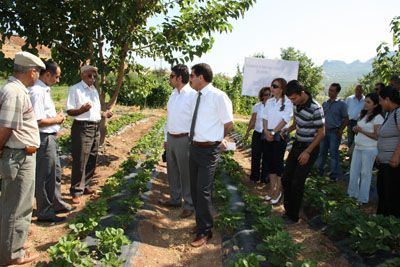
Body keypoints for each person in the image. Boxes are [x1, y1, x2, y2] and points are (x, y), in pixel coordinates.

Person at [0, 52, 45, 265]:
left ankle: (12, 243)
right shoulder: (15, 92)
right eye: (37, 71)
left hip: (21, 154)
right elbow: (6, 127)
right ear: (31, 72)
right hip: (19, 156)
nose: (38, 75)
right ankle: (12, 254)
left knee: (16, 203)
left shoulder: (16, 90)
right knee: (17, 206)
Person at [188, 63, 233, 247]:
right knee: (194, 189)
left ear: (201, 77)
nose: (190, 79)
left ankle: (205, 231)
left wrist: (218, 139)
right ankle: (200, 223)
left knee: (203, 190)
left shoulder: (218, 97)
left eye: (192, 75)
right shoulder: (196, 97)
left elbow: (228, 123)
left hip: (209, 150)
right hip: (195, 147)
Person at [29, 60, 74, 223]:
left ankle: (56, 202)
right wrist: (57, 119)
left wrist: (56, 118)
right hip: (43, 138)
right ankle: (44, 211)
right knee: (44, 175)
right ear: (47, 74)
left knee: (55, 173)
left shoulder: (44, 90)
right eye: (57, 76)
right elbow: (37, 121)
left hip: (51, 137)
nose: (58, 80)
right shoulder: (37, 92)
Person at [66, 65, 113, 204]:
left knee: (92, 157)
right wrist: (81, 110)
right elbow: (70, 111)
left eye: (94, 76)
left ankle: (85, 185)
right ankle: (76, 191)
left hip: (95, 127)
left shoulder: (94, 91)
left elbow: (95, 111)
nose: (92, 79)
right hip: (82, 127)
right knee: (80, 159)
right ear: (82, 75)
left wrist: (104, 114)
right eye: (89, 76)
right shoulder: (75, 89)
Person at [281, 80, 325, 223]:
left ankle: (293, 216)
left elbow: (321, 133)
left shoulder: (316, 108)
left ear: (302, 93)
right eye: (290, 99)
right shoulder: (296, 104)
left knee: (297, 182)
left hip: (309, 148)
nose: (292, 101)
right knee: (286, 178)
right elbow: (296, 123)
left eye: (294, 98)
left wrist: (307, 152)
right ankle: (288, 211)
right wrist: (288, 129)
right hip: (296, 145)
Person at [161, 64, 197, 219]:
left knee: (186, 173)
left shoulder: (192, 96)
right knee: (173, 171)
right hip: (171, 138)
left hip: (184, 139)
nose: (170, 78)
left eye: (171, 76)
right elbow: (169, 117)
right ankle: (175, 199)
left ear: (179, 78)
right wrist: (165, 139)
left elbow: (195, 120)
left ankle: (189, 204)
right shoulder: (173, 94)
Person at [347, 93, 383, 204]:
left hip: (369, 149)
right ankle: (352, 196)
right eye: (365, 101)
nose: (365, 104)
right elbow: (359, 131)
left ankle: (362, 199)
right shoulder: (363, 115)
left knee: (365, 174)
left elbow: (377, 136)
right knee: (353, 172)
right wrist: (355, 130)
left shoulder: (378, 118)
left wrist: (361, 130)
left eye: (368, 102)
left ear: (375, 105)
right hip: (358, 147)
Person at [262, 78, 293, 204]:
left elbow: (286, 119)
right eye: (271, 85)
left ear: (282, 89)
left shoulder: (288, 103)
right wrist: (265, 131)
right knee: (269, 163)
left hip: (279, 135)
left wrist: (273, 132)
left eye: (275, 86)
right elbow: (264, 117)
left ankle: (278, 191)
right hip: (268, 133)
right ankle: (272, 189)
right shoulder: (269, 102)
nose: (272, 88)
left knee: (278, 163)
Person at [316, 83, 348, 180]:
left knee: (334, 154)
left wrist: (341, 130)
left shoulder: (342, 104)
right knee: (322, 152)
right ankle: (319, 171)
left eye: (332, 90)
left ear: (337, 92)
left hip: (334, 132)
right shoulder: (325, 103)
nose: (330, 92)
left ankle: (334, 174)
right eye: (329, 90)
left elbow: (346, 118)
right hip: (324, 131)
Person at [376, 86, 400, 218]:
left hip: (393, 164)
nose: (379, 103)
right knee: (383, 193)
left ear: (387, 99)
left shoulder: (398, 112)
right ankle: (382, 222)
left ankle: (392, 226)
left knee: (392, 196)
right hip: (385, 162)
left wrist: (396, 156)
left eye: (380, 100)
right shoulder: (390, 113)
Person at [243, 86, 271, 183]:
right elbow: (253, 120)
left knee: (267, 157)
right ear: (262, 96)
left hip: (268, 135)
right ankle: (254, 177)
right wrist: (247, 132)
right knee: (256, 155)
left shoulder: (274, 107)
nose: (268, 96)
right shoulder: (257, 106)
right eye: (266, 95)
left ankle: (264, 179)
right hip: (258, 134)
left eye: (270, 94)